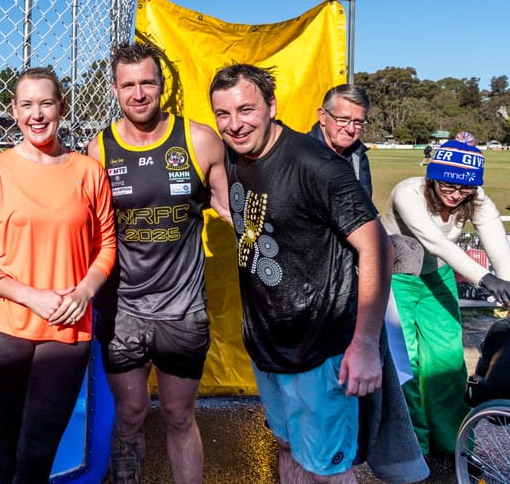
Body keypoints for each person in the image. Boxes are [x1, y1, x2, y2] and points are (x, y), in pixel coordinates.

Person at [209, 63, 393, 483]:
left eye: (246, 110)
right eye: (223, 114)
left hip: (319, 349)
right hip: (267, 343)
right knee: (287, 446)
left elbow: (378, 248)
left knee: (327, 469)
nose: (235, 124)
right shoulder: (232, 156)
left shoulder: (317, 165)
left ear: (271, 106)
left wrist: (365, 344)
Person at [0, 67, 116, 484]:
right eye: (27, 105)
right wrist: (31, 296)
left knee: (38, 449)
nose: (37, 114)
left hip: (67, 327)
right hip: (4, 327)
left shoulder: (88, 171)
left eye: (46, 103)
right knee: (10, 441)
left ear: (62, 106)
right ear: (14, 110)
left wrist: (84, 292)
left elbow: (106, 247)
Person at [86, 43, 229, 484]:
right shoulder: (99, 149)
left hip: (182, 312)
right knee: (130, 414)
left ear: (162, 85)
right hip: (123, 311)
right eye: (128, 84)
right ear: (115, 90)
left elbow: (236, 211)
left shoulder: (199, 140)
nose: (138, 93)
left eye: (147, 82)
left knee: (179, 415)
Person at [381, 136, 510, 456]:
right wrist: (487, 279)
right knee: (405, 363)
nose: (455, 195)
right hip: (395, 277)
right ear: (432, 178)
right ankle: (413, 446)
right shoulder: (408, 192)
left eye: (464, 189)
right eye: (447, 186)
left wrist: (508, 284)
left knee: (448, 361)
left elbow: (497, 242)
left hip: (438, 277)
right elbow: (435, 242)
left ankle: (452, 442)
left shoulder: (476, 199)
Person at [309, 84, 373, 197]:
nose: (351, 129)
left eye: (358, 122)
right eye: (343, 120)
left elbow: (364, 202)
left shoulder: (358, 156)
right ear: (322, 116)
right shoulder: (300, 156)